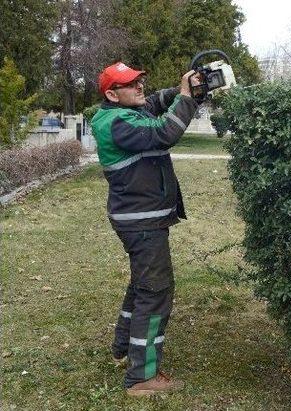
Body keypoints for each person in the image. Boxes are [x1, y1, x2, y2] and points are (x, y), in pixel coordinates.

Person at [91, 62, 201, 396]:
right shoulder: (119, 123)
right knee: (155, 293)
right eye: (131, 85)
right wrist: (185, 97)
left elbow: (156, 101)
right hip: (141, 223)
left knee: (143, 286)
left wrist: (191, 90)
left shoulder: (125, 112)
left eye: (140, 81)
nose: (140, 88)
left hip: (141, 220)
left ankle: (123, 349)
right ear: (112, 94)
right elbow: (164, 132)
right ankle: (141, 378)